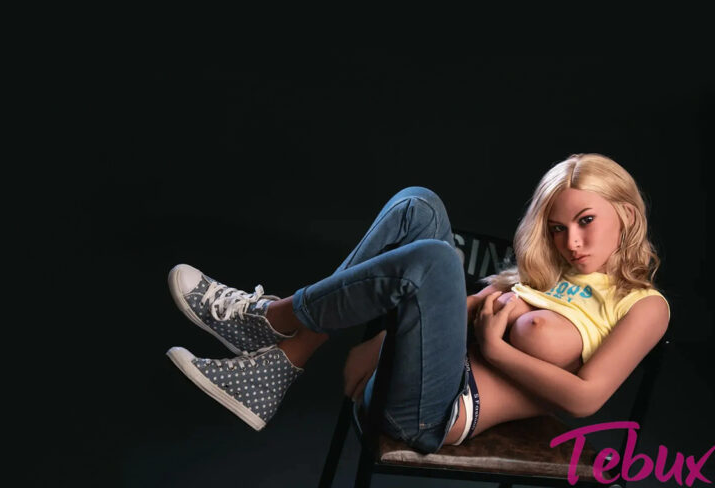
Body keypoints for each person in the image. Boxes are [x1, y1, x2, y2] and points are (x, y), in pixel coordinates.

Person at [165, 153, 671, 455]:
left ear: (626, 215)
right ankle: (284, 357)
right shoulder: (551, 275)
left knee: (436, 260)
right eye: (558, 228)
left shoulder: (643, 306)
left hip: (439, 412)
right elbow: (458, 313)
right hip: (411, 371)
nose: (571, 242)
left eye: (586, 221)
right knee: (417, 203)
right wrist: (384, 339)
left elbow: (585, 400)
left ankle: (273, 323)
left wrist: (496, 350)